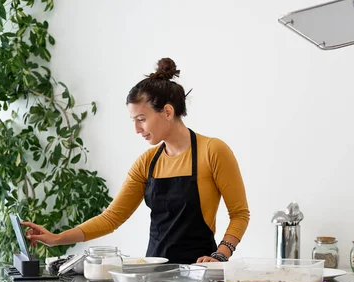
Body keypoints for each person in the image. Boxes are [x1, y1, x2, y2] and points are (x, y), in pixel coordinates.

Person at [22, 57, 250, 264]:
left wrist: (220, 255)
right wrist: (55, 239)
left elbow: (240, 214)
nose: (137, 129)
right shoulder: (147, 162)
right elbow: (111, 218)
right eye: (133, 120)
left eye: (141, 119)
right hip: (154, 274)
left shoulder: (212, 151)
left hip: (200, 274)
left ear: (168, 112)